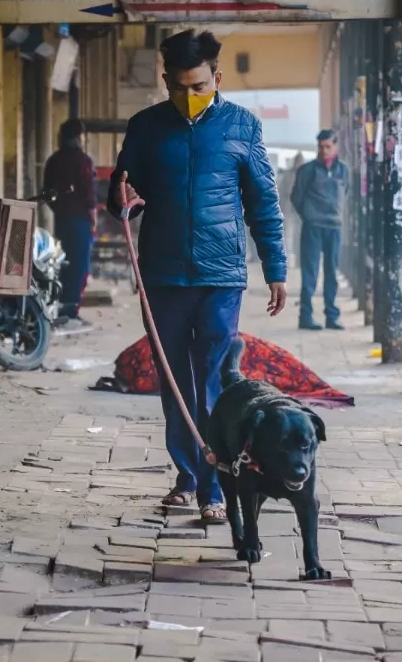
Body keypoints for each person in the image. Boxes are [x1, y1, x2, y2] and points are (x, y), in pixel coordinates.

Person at [108, 28, 287, 523]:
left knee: (211, 380)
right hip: (162, 275)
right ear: (165, 80)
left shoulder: (243, 127)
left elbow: (263, 204)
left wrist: (276, 269)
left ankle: (214, 486)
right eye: (179, 88)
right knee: (174, 380)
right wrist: (120, 198)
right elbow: (120, 191)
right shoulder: (145, 127)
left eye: (199, 87)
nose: (188, 97)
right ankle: (187, 476)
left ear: (217, 78)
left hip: (220, 276)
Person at [291, 129, 348, 331]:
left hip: (334, 227)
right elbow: (296, 197)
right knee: (310, 273)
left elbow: (345, 192)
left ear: (335, 146)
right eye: (320, 147)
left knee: (332, 273)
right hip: (313, 228)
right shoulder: (307, 170)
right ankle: (305, 316)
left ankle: (332, 316)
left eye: (327, 146)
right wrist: (309, 215)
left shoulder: (343, 170)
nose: (324, 151)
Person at [43, 118, 96, 323]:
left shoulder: (54, 160)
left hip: (61, 220)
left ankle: (61, 306)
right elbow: (89, 194)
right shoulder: (83, 161)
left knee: (61, 263)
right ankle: (71, 310)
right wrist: (91, 218)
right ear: (79, 137)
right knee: (79, 265)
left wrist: (60, 209)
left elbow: (47, 193)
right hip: (80, 221)